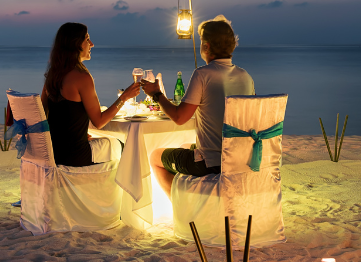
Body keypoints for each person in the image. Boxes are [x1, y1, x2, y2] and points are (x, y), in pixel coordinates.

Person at [141, 15, 254, 195]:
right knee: (186, 145)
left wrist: (156, 94)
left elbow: (179, 117)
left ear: (206, 46)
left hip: (211, 164)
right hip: (240, 160)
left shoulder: (203, 74)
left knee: (155, 156)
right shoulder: (245, 76)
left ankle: (180, 210)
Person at [41, 22, 142, 167]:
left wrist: (75, 134)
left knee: (106, 141)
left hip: (55, 152)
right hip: (75, 155)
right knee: (124, 146)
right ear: (76, 44)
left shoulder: (53, 75)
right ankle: (124, 189)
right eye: (87, 39)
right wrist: (124, 97)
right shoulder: (82, 77)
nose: (92, 44)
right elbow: (99, 122)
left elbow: (43, 114)